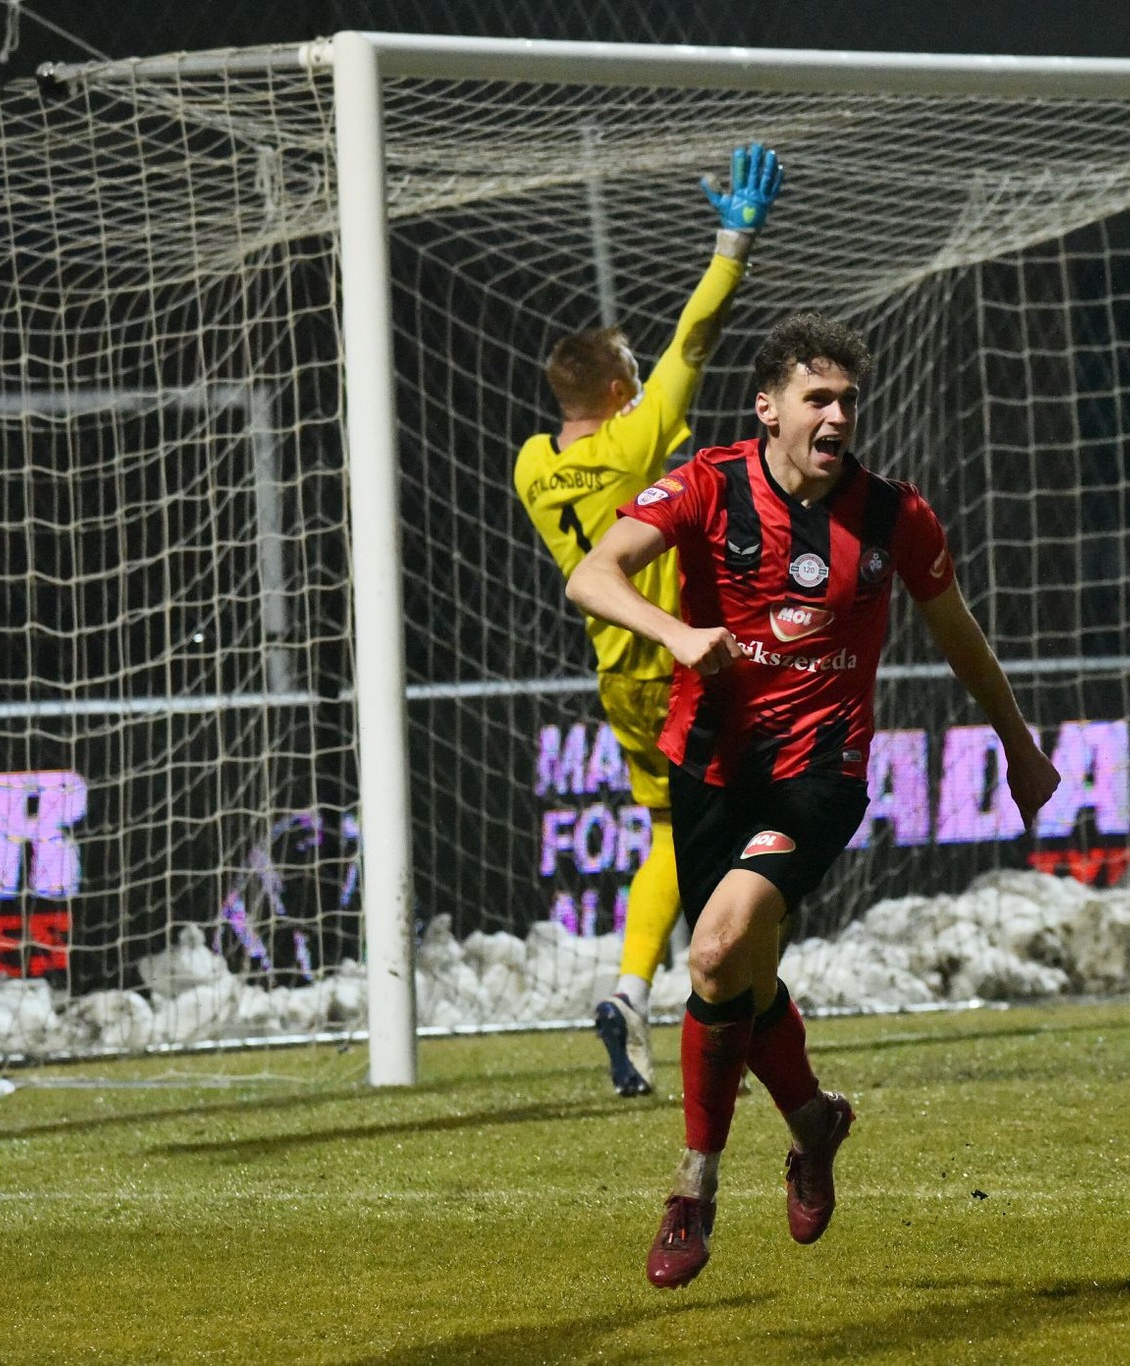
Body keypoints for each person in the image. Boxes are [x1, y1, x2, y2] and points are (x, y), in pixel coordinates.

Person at [566, 312, 1061, 1289]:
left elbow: (956, 630)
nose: (836, 416)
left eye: (846, 401)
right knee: (735, 981)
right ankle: (811, 1120)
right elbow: (592, 574)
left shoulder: (892, 515)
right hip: (709, 764)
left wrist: (1017, 742)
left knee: (714, 951)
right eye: (816, 399)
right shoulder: (709, 484)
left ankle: (693, 1188)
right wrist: (671, 633)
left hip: (819, 773)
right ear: (769, 409)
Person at [514, 143, 784, 1097]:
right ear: (623, 392)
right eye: (635, 373)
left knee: (670, 829)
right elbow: (696, 338)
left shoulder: (532, 465)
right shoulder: (639, 434)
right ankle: (733, 1005)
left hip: (614, 670)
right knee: (748, 827)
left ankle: (634, 989)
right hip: (685, 659)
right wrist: (733, 241)